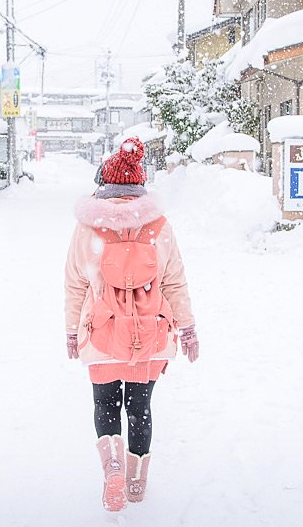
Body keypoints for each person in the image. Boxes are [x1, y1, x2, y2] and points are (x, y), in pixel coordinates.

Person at [64, 137, 199, 512]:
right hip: (149, 333)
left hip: (102, 332)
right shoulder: (160, 226)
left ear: (105, 183)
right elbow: (174, 281)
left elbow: (75, 282)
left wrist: (72, 331)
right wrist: (186, 326)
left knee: (105, 403)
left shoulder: (88, 228)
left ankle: (112, 468)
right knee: (140, 406)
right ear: (140, 184)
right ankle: (137, 480)